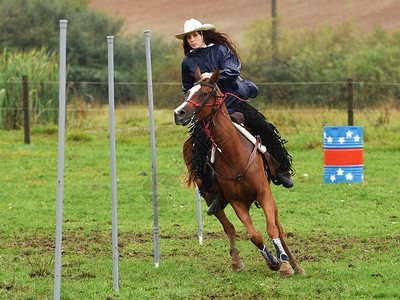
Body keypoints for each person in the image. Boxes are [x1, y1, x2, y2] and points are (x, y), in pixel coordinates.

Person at [175, 19, 294, 215]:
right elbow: (187, 88)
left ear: (203, 35)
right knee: (198, 149)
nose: (192, 39)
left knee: (264, 127)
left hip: (232, 102)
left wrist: (210, 77)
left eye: (195, 35)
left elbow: (233, 70)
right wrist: (192, 103)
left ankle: (280, 169)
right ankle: (214, 194)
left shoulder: (221, 50)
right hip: (207, 111)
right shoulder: (187, 62)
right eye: (189, 37)